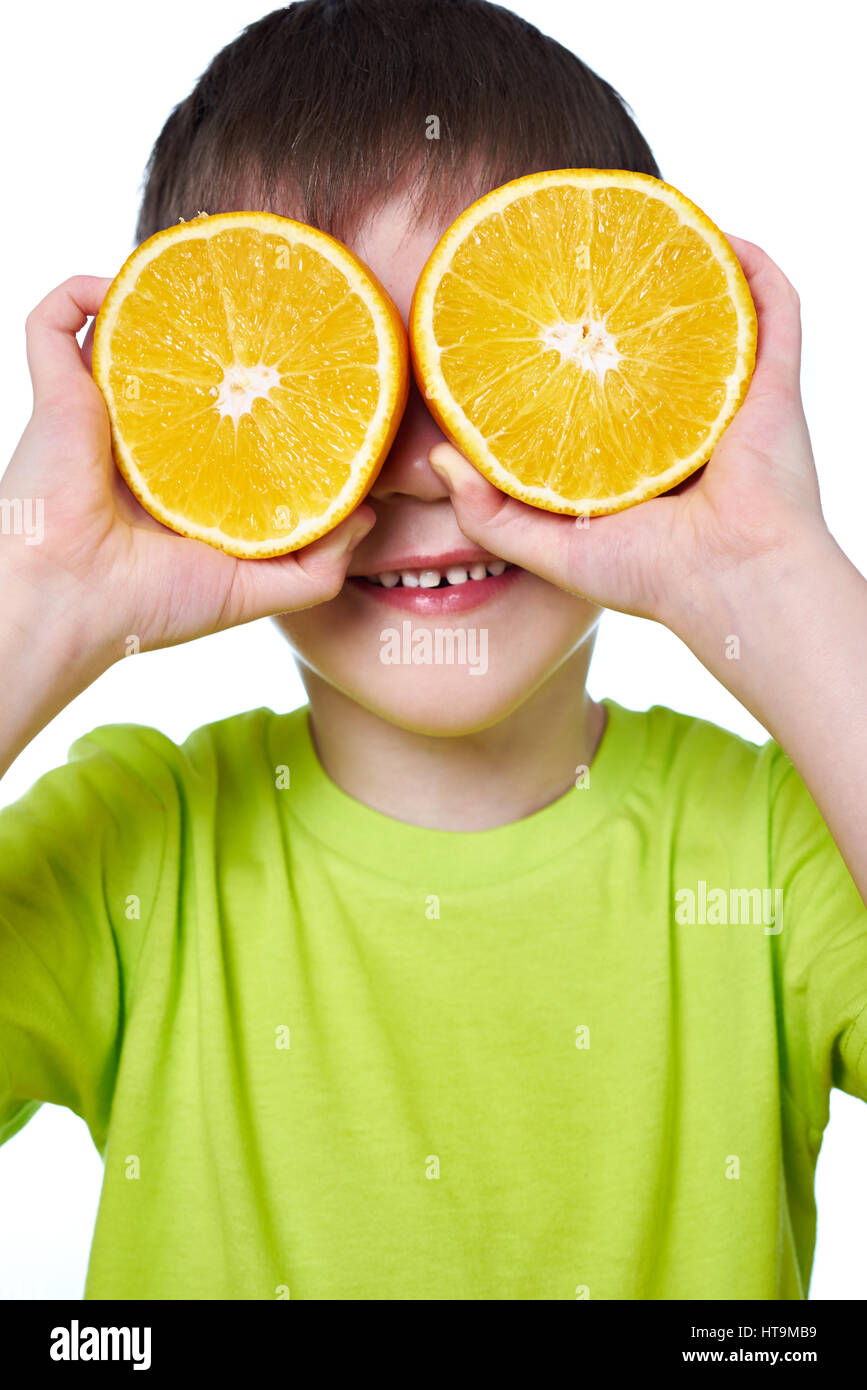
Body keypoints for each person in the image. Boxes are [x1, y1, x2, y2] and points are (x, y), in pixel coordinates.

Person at [1, 0, 865, 1300]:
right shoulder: (131, 845)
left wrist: (771, 574)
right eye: (333, 381)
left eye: (495, 370)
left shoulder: (783, 850)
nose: (415, 469)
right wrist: (41, 587)